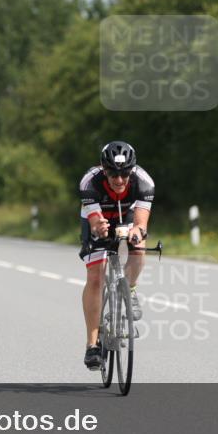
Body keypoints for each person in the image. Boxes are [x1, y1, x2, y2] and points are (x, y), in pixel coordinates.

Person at [78, 141, 154, 371]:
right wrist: (98, 226)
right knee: (95, 278)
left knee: (138, 246)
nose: (119, 180)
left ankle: (129, 290)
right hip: (99, 217)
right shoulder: (89, 181)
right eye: (113, 174)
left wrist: (136, 232)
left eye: (124, 174)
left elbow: (141, 222)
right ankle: (92, 345)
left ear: (132, 170)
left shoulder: (144, 182)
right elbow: (93, 219)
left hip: (128, 216)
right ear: (103, 168)